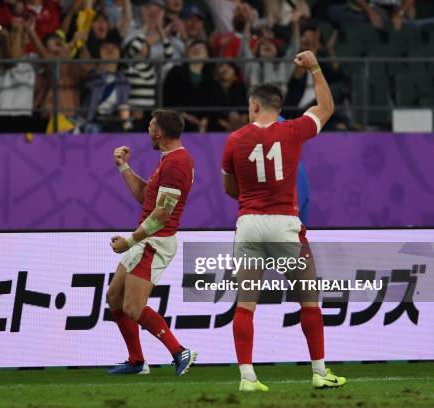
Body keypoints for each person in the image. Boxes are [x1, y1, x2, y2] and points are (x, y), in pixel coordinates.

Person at [220, 51, 346, 391]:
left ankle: (247, 377)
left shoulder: (234, 140)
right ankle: (319, 371)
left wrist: (251, 198)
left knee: (245, 303)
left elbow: (229, 187)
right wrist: (315, 68)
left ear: (256, 106)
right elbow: (326, 108)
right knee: (308, 296)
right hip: (284, 222)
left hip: (248, 222)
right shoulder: (293, 131)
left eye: (249, 106)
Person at [107, 109, 197, 376]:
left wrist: (129, 241)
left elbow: (162, 214)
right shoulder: (168, 159)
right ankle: (136, 361)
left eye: (150, 125)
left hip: (155, 241)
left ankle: (180, 351)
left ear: (159, 132)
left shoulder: (177, 163)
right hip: (146, 238)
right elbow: (147, 196)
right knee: (114, 297)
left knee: (132, 307)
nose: (147, 129)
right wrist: (124, 167)